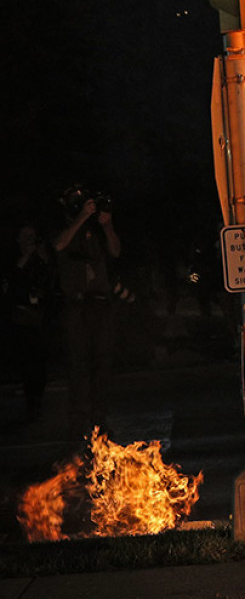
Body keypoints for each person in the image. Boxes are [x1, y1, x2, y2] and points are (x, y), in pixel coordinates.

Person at [54, 185, 121, 437]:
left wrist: (106, 225)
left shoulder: (95, 228)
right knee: (78, 363)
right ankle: (78, 421)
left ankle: (99, 418)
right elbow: (59, 245)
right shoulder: (63, 227)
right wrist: (81, 217)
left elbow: (115, 250)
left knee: (102, 362)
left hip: (100, 304)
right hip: (76, 305)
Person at [2, 223, 54, 421]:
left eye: (32, 235)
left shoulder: (40, 258)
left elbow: (49, 276)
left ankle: (38, 400)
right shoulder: (13, 259)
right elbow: (12, 281)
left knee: (40, 362)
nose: (29, 239)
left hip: (39, 317)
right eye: (25, 236)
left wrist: (40, 255)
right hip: (21, 317)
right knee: (26, 362)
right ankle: (30, 402)